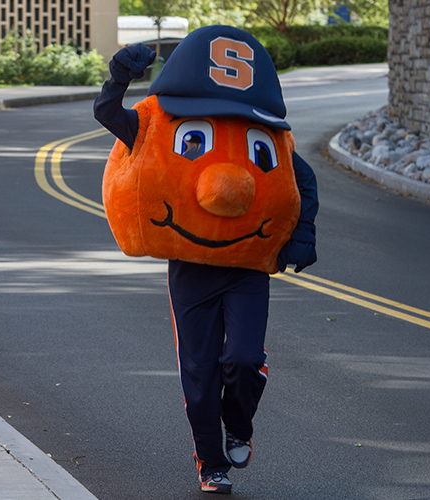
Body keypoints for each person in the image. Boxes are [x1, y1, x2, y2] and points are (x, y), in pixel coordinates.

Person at [94, 26, 317, 494]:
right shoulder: (164, 124)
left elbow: (302, 178)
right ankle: (209, 462)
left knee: (243, 357)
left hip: (246, 268)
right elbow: (109, 114)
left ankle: (238, 424)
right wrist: (119, 77)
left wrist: (301, 237)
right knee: (198, 375)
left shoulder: (261, 129)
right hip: (191, 269)